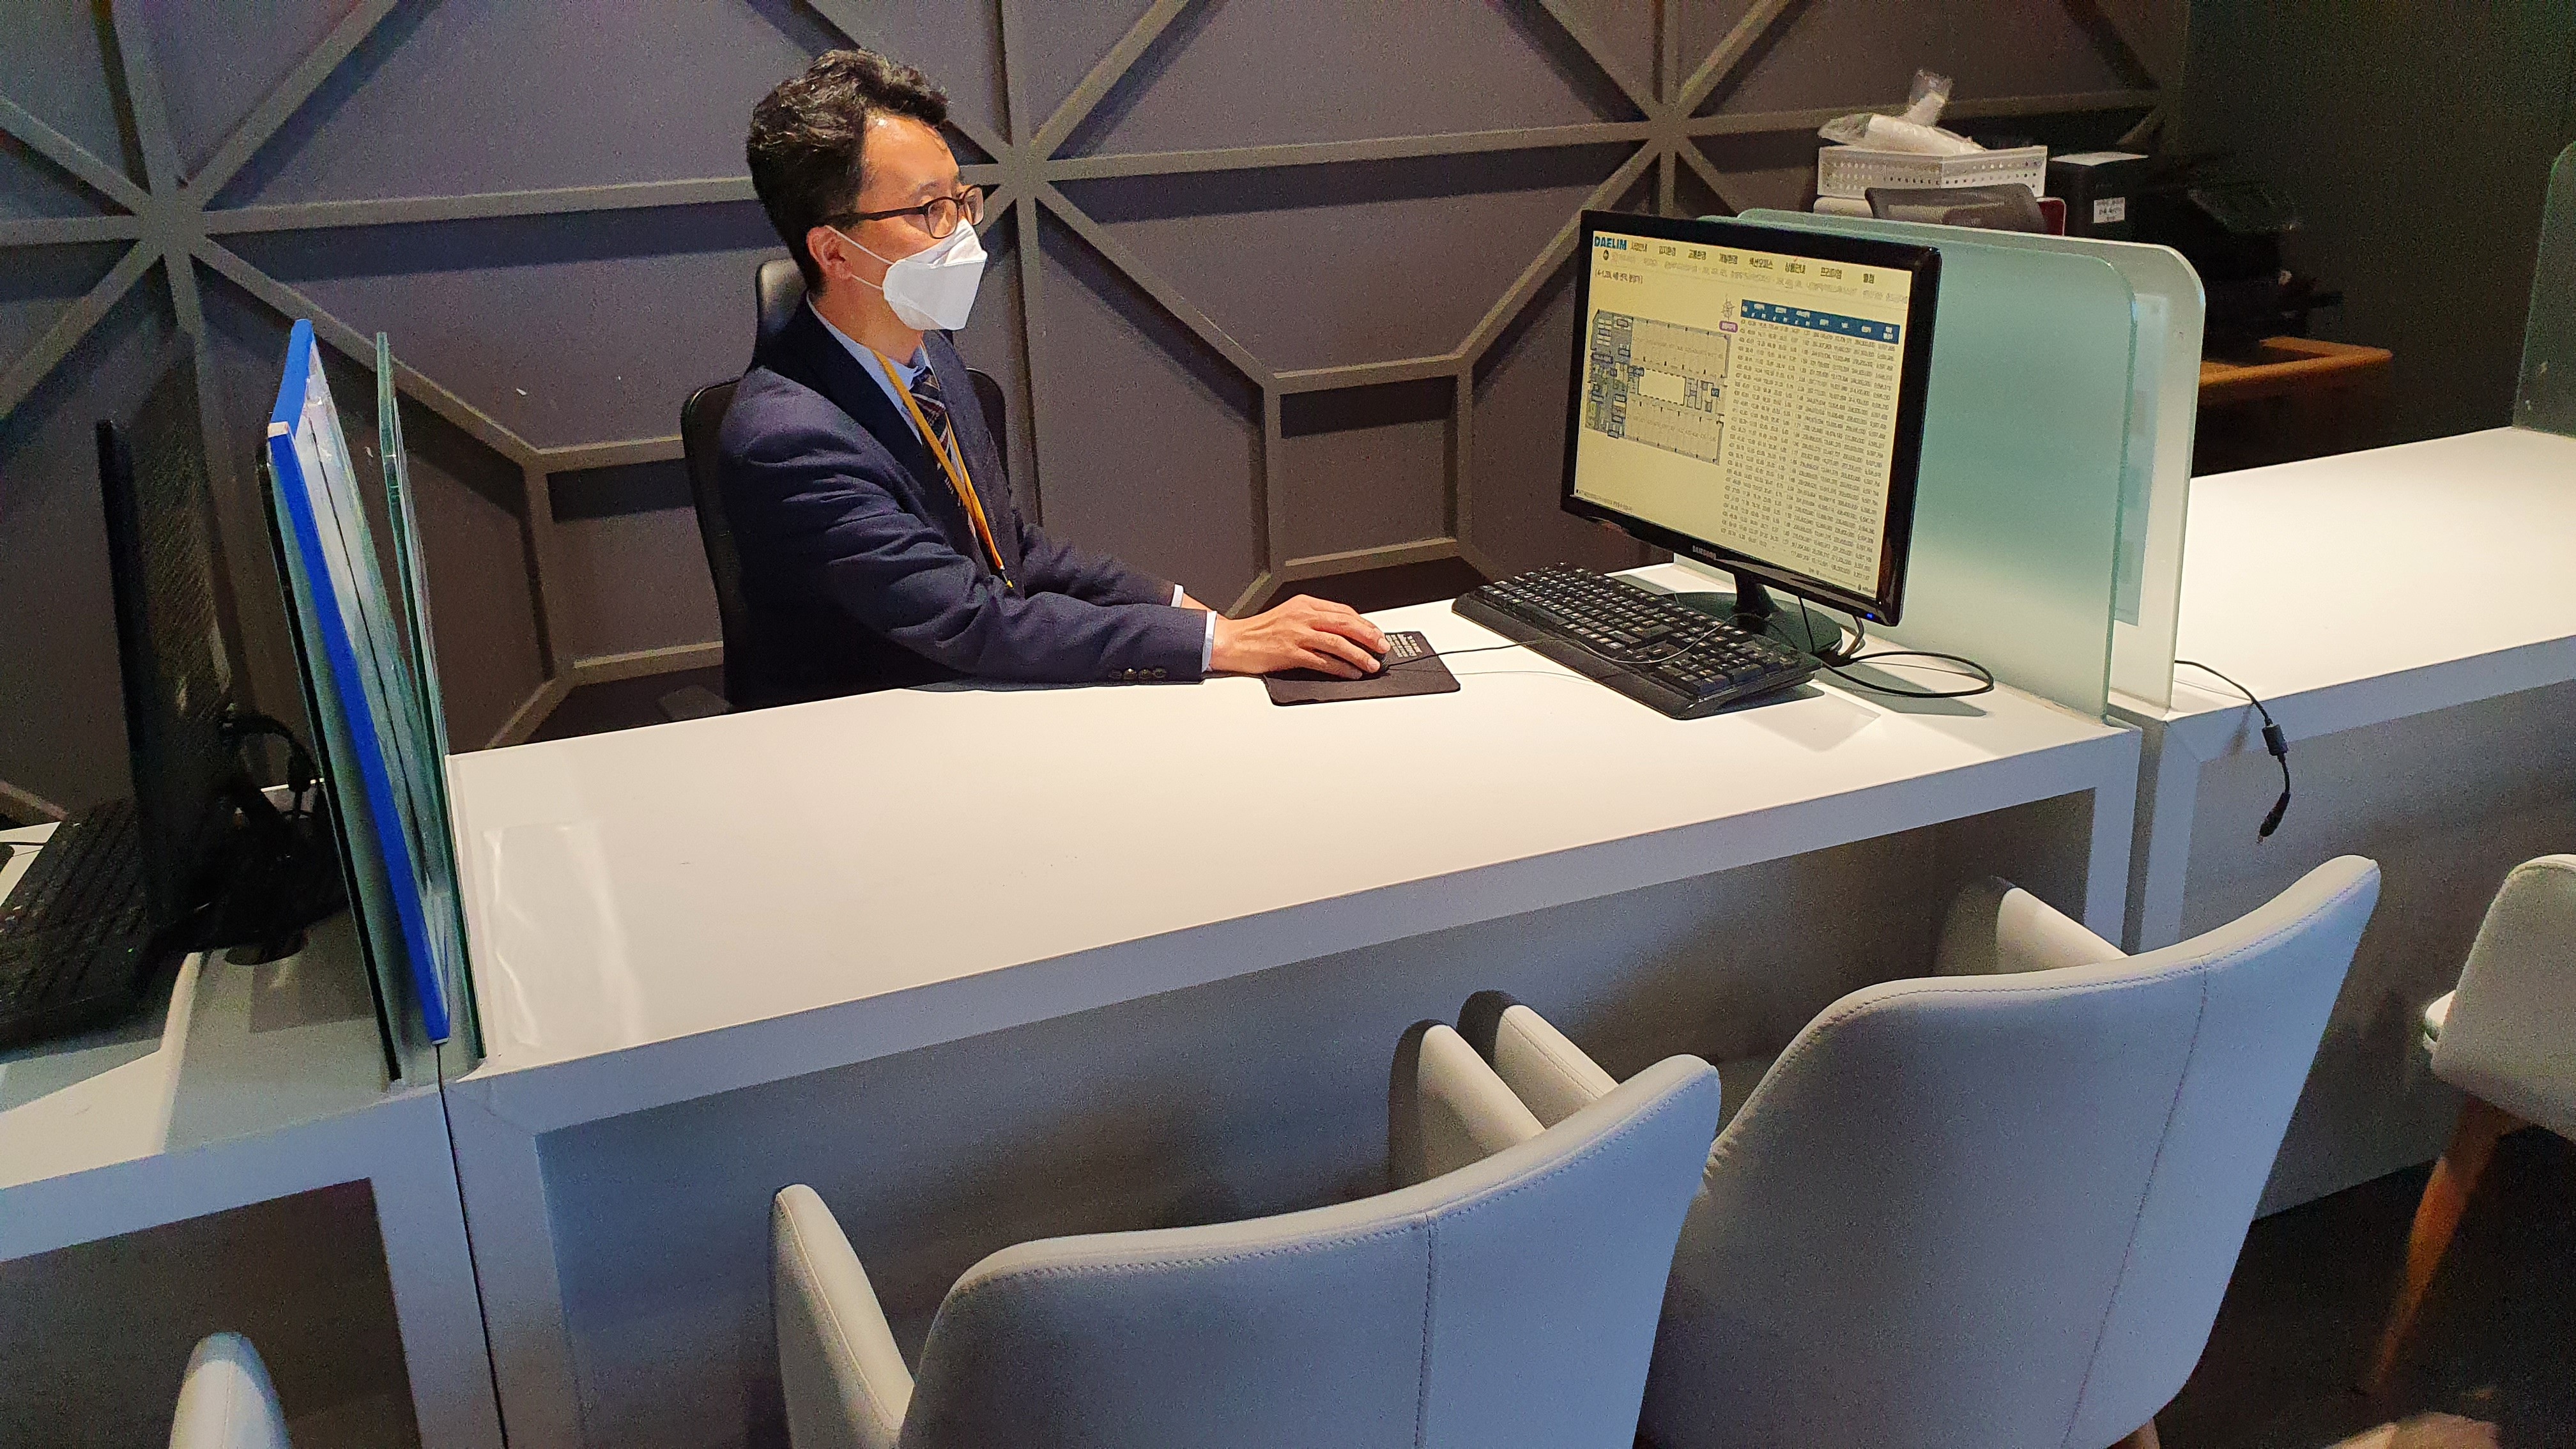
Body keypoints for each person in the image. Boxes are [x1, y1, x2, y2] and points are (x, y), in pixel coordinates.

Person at [725, 49, 1385, 709]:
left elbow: (1012, 550)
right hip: (866, 731)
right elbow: (971, 617)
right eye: (929, 210)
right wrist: (1218, 643)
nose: (964, 233)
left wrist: (1184, 609)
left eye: (961, 199)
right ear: (834, 252)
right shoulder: (787, 439)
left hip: (972, 695)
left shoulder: (929, 355)